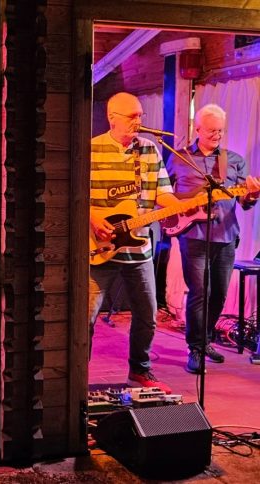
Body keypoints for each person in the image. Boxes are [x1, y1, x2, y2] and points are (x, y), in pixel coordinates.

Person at [89, 92, 184, 394]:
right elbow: (75, 195)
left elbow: (163, 193)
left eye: (141, 115)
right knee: (85, 317)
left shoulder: (150, 150)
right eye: (132, 116)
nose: (139, 121)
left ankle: (139, 372)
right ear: (112, 118)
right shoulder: (92, 149)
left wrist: (183, 208)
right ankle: (76, 379)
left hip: (139, 249)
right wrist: (93, 218)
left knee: (147, 314)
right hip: (98, 248)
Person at [166, 104, 260, 374]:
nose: (217, 135)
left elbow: (244, 202)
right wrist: (174, 213)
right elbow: (162, 193)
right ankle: (195, 348)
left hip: (226, 235)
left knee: (218, 294)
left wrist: (252, 195)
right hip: (193, 236)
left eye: (220, 131)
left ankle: (206, 340)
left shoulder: (234, 160)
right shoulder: (179, 158)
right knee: (200, 292)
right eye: (211, 131)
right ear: (197, 129)